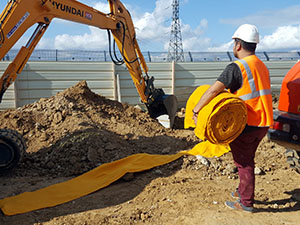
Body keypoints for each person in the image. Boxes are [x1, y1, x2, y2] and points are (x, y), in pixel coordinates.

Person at [192, 24, 273, 212]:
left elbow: (214, 90)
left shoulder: (237, 67)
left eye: (234, 43)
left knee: (244, 163)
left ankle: (246, 202)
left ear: (238, 45)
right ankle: (242, 190)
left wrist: (197, 109)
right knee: (247, 158)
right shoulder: (261, 65)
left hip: (246, 124)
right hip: (263, 122)